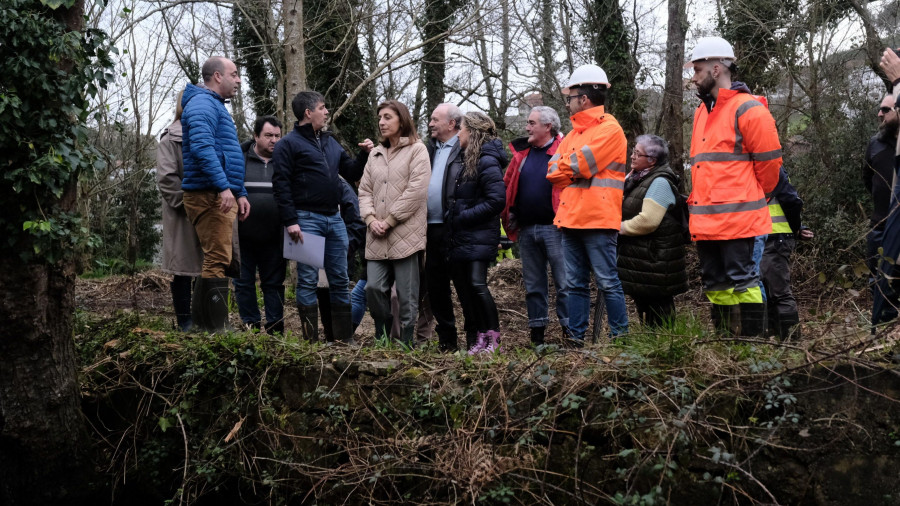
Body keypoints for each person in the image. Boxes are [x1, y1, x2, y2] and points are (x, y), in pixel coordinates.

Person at [684, 36, 781, 337]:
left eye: (697, 70)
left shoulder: (749, 109)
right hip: (707, 220)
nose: (693, 77)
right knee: (714, 281)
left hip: (739, 218)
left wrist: (751, 198)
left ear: (716, 69)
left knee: (743, 280)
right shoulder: (702, 112)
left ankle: (752, 346)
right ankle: (726, 342)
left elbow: (770, 167)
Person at [271, 91, 374, 344]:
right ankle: (310, 343)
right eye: (323, 107)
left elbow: (349, 172)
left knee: (340, 278)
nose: (327, 111)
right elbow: (281, 184)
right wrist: (290, 221)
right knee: (307, 281)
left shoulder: (330, 142)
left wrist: (363, 155)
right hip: (304, 220)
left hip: (334, 219)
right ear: (308, 112)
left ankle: (342, 341)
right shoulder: (288, 144)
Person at [546, 64, 629, 345]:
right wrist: (568, 167)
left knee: (607, 282)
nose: (567, 103)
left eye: (570, 97)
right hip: (571, 219)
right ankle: (576, 341)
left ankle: (620, 342)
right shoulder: (572, 135)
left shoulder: (611, 130)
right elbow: (551, 170)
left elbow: (581, 164)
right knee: (574, 286)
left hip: (598, 220)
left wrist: (566, 166)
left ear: (583, 99)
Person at [180, 56, 250, 332]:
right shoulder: (201, 104)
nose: (239, 80)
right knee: (217, 259)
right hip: (208, 194)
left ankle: (205, 325)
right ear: (218, 76)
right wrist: (223, 187)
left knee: (219, 258)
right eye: (234, 74)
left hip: (217, 192)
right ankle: (214, 328)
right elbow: (202, 149)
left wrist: (239, 191)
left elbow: (227, 155)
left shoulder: (214, 106)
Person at [358, 100, 431, 347]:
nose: (381, 122)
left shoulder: (418, 150)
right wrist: (370, 219)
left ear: (402, 120)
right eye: (380, 117)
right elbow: (364, 191)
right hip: (376, 235)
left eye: (388, 117)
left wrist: (388, 220)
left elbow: (416, 191)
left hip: (406, 235)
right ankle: (383, 338)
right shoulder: (375, 155)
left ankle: (408, 346)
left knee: (407, 296)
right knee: (373, 289)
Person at [501, 106, 569, 347]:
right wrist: (508, 213)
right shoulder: (522, 154)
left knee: (565, 283)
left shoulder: (565, 149)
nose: (527, 127)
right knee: (533, 286)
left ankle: (570, 334)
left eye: (532, 123)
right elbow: (507, 185)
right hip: (527, 229)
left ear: (547, 126)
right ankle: (537, 337)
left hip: (557, 229)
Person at [445, 111, 507, 354]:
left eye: (461, 129)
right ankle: (481, 341)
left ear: (471, 132)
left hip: (479, 235)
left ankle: (493, 340)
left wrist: (462, 217)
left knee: (477, 284)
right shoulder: (470, 159)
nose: (458, 133)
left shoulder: (487, 161)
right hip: (465, 237)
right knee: (470, 288)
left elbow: (496, 201)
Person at [617, 134, 688, 328]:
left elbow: (648, 221)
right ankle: (651, 347)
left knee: (659, 308)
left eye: (637, 153)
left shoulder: (659, 182)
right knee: (644, 304)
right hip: (643, 258)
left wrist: (619, 228)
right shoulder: (635, 178)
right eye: (633, 151)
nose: (632, 156)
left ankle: (666, 347)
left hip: (657, 257)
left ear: (652, 160)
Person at [233, 116, 285, 334]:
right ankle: (250, 327)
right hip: (243, 236)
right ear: (256, 136)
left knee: (273, 285)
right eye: (268, 136)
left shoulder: (285, 160)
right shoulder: (240, 160)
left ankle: (275, 329)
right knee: (243, 283)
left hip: (275, 237)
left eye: (277, 136)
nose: (273, 140)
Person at [156, 90, 203, 332]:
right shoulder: (170, 139)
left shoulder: (208, 135)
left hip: (208, 213)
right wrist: (189, 205)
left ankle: (206, 319)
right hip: (183, 215)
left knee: (207, 268)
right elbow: (166, 178)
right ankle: (185, 322)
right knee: (184, 269)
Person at [426, 103, 465, 351]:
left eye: (435, 119)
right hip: (430, 228)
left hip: (455, 228)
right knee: (436, 286)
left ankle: (474, 336)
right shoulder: (428, 149)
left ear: (451, 124)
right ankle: (447, 339)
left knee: (463, 283)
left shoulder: (465, 148)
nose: (430, 123)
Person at [760, 167, 810, 340]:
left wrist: (796, 229)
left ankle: (792, 343)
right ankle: (777, 338)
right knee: (767, 291)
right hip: (767, 237)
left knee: (779, 293)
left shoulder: (772, 169)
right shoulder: (760, 167)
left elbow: (792, 202)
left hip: (775, 238)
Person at [863, 94, 899, 323]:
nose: (880, 114)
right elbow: (868, 180)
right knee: (878, 282)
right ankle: (885, 329)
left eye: (886, 110)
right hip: (879, 225)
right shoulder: (875, 143)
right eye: (880, 109)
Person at [318, 177, 366, 342]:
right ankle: (330, 336)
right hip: (317, 249)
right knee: (322, 291)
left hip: (340, 250)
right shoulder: (307, 179)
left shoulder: (341, 185)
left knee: (338, 290)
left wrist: (345, 249)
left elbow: (357, 221)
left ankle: (344, 337)